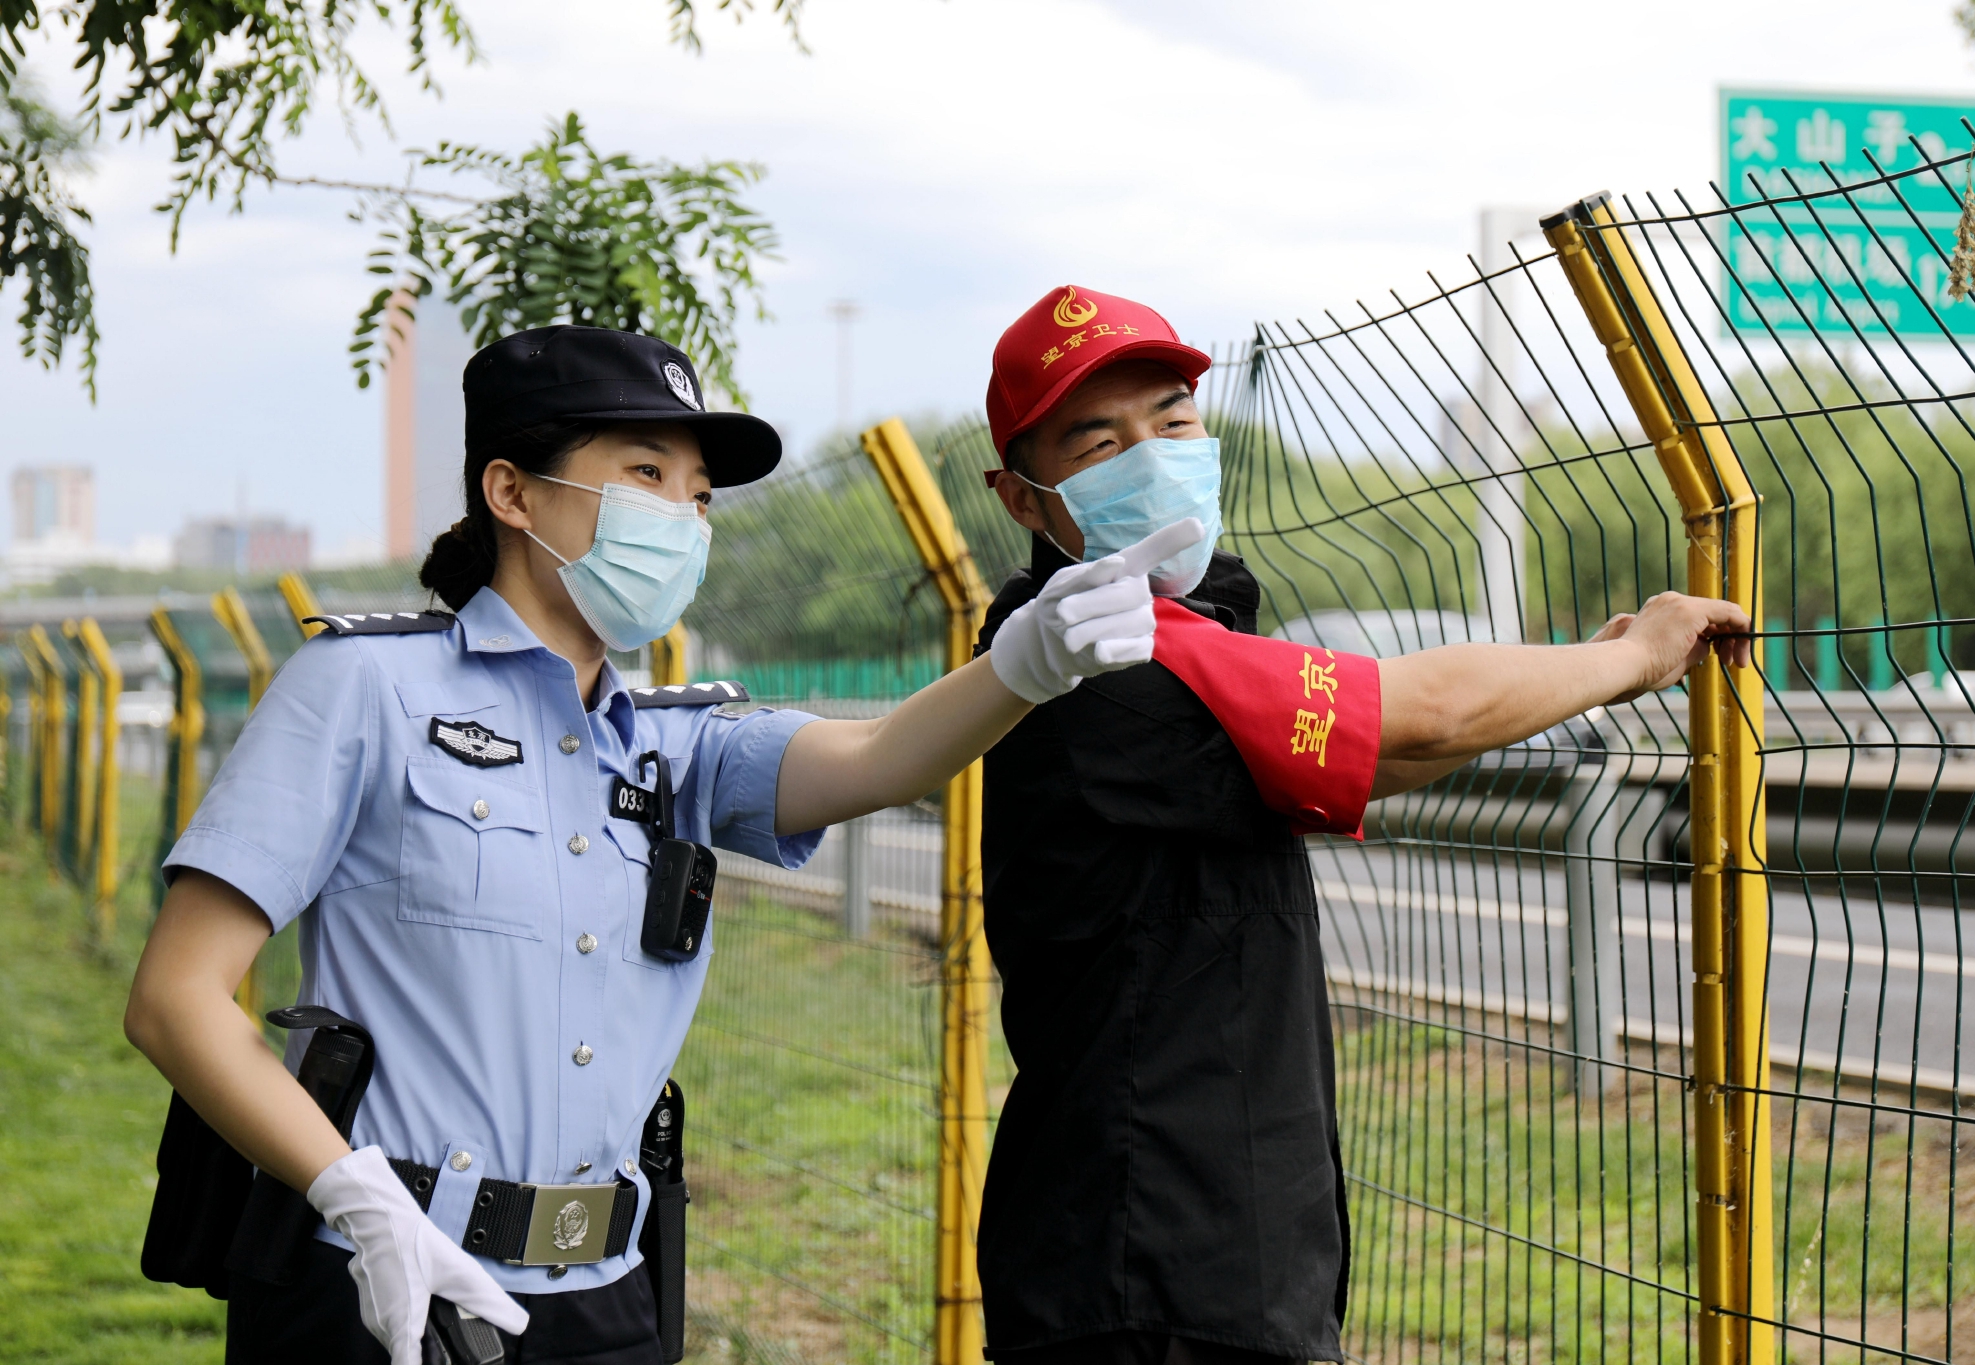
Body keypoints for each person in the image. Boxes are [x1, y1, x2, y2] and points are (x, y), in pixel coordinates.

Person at [123, 324, 1197, 1365]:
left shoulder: (670, 747)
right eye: (644, 473)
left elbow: (880, 756)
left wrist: (1027, 662)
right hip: (381, 1281)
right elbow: (177, 997)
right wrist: (358, 1204)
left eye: (697, 496)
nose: (682, 517)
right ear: (512, 493)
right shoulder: (363, 690)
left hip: (609, 1304)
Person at [973, 286, 1753, 1365]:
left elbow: (1393, 749)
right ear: (1021, 498)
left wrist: (1566, 680)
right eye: (1098, 442)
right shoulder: (1090, 658)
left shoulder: (1175, 635)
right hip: (1143, 1258)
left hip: (1198, 1233)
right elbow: (1414, 715)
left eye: (1170, 420)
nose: (1149, 456)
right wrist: (1625, 659)